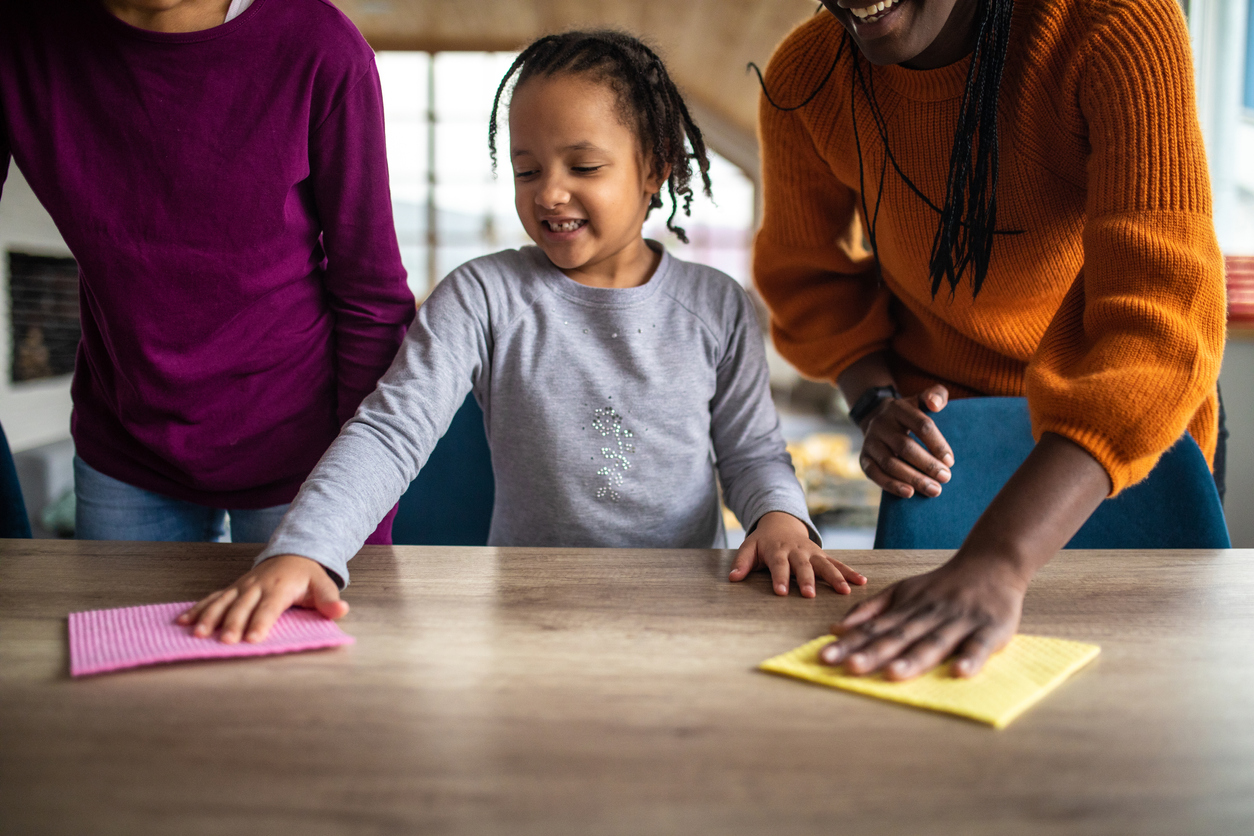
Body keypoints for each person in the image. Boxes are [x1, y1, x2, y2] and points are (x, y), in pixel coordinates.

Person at [179, 30, 868, 643]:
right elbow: (391, 433)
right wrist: (302, 550)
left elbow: (751, 454)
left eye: (584, 167)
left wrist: (779, 519)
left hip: (683, 606)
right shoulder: (483, 296)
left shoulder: (718, 306)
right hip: (527, 609)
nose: (550, 194)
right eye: (528, 169)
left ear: (655, 166)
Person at [752, 0, 1226, 680]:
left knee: (1140, 708)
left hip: (1119, 442)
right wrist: (876, 403)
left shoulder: (1115, 26)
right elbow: (810, 283)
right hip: (949, 453)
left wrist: (998, 559)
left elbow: (1160, 321)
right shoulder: (809, 75)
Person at [0, 0, 415, 543]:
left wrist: (363, 505)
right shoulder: (22, 40)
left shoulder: (320, 46)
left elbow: (372, 297)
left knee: (315, 631)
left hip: (305, 457)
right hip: (125, 450)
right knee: (115, 630)